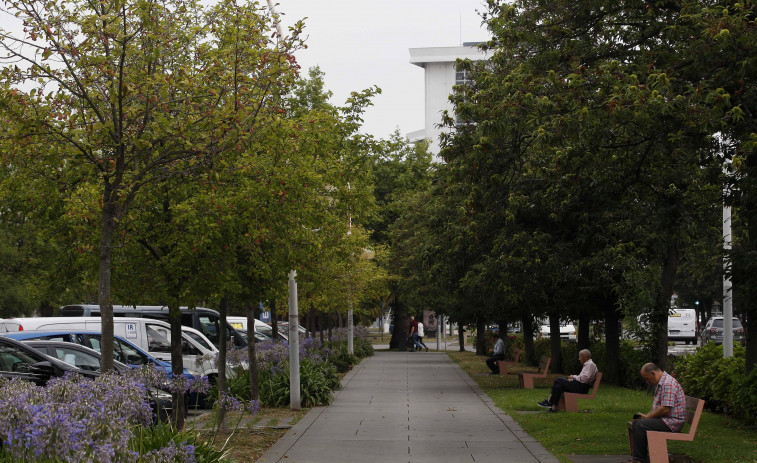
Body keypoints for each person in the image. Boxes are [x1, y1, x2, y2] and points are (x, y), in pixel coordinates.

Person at [623, 363, 686, 463]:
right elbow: (659, 408)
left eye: (647, 378)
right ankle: (638, 457)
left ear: (653, 373)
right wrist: (646, 416)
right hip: (666, 419)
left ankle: (638, 459)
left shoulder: (668, 384)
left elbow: (665, 409)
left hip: (672, 422)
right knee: (637, 421)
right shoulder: (662, 383)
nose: (647, 382)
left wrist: (648, 417)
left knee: (641, 425)